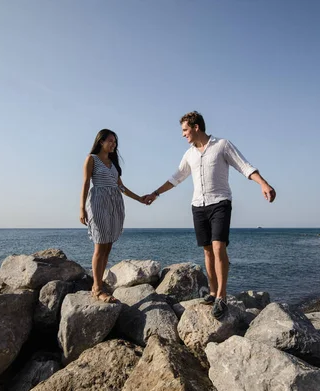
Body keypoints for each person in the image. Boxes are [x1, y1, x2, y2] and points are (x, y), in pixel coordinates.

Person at [143, 111, 276, 319]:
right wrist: (155, 193)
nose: (183, 135)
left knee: (218, 246)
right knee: (207, 251)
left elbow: (244, 166)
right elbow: (177, 177)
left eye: (185, 130)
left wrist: (263, 183)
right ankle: (213, 292)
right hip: (198, 205)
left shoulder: (222, 145)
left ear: (196, 127)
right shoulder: (189, 154)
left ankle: (222, 296)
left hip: (220, 202)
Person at [80, 129, 145, 303]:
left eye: (115, 142)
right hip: (98, 203)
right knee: (99, 246)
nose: (113, 145)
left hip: (114, 205)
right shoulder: (91, 159)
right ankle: (97, 288)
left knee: (107, 247)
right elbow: (86, 183)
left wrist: (139, 198)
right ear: (101, 141)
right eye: (110, 141)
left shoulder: (113, 163)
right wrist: (81, 208)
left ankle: (99, 283)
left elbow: (121, 187)